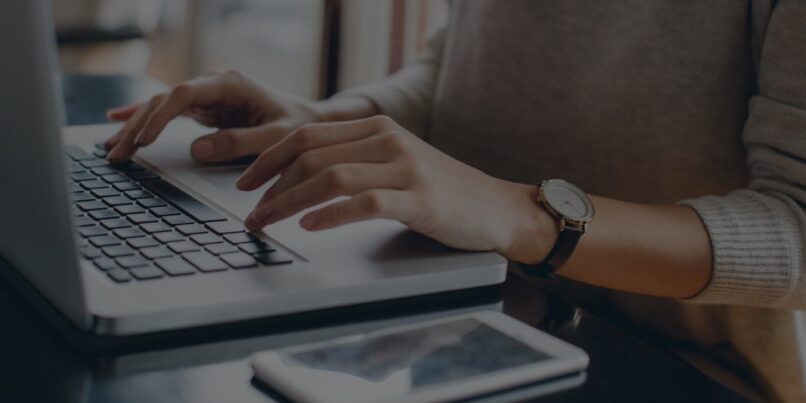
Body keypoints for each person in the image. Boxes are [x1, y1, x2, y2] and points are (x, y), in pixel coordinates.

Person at [103, 1, 806, 401]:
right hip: (454, 316)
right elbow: (451, 69)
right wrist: (329, 120)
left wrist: (528, 216)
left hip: (669, 372)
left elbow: (796, 228)